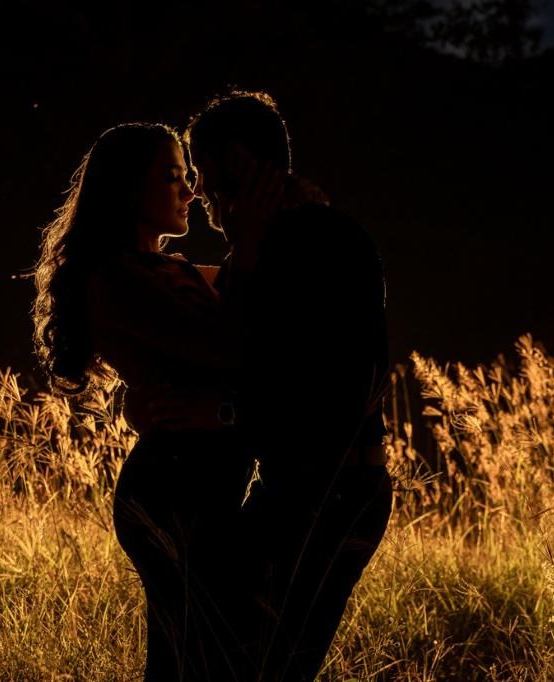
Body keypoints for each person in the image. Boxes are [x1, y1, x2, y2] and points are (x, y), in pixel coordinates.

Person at [155, 91, 394, 681]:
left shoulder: (324, 241)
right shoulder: (260, 246)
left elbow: (332, 391)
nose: (199, 194)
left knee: (262, 666)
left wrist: (226, 412)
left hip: (331, 491)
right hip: (302, 487)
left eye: (204, 173)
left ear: (237, 159)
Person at [32, 122, 257, 680]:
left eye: (189, 176)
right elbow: (234, 347)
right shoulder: (118, 278)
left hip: (196, 483)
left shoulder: (167, 268)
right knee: (193, 655)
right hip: (173, 490)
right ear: (131, 188)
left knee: (195, 654)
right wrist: (252, 234)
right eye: (173, 176)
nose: (191, 190)